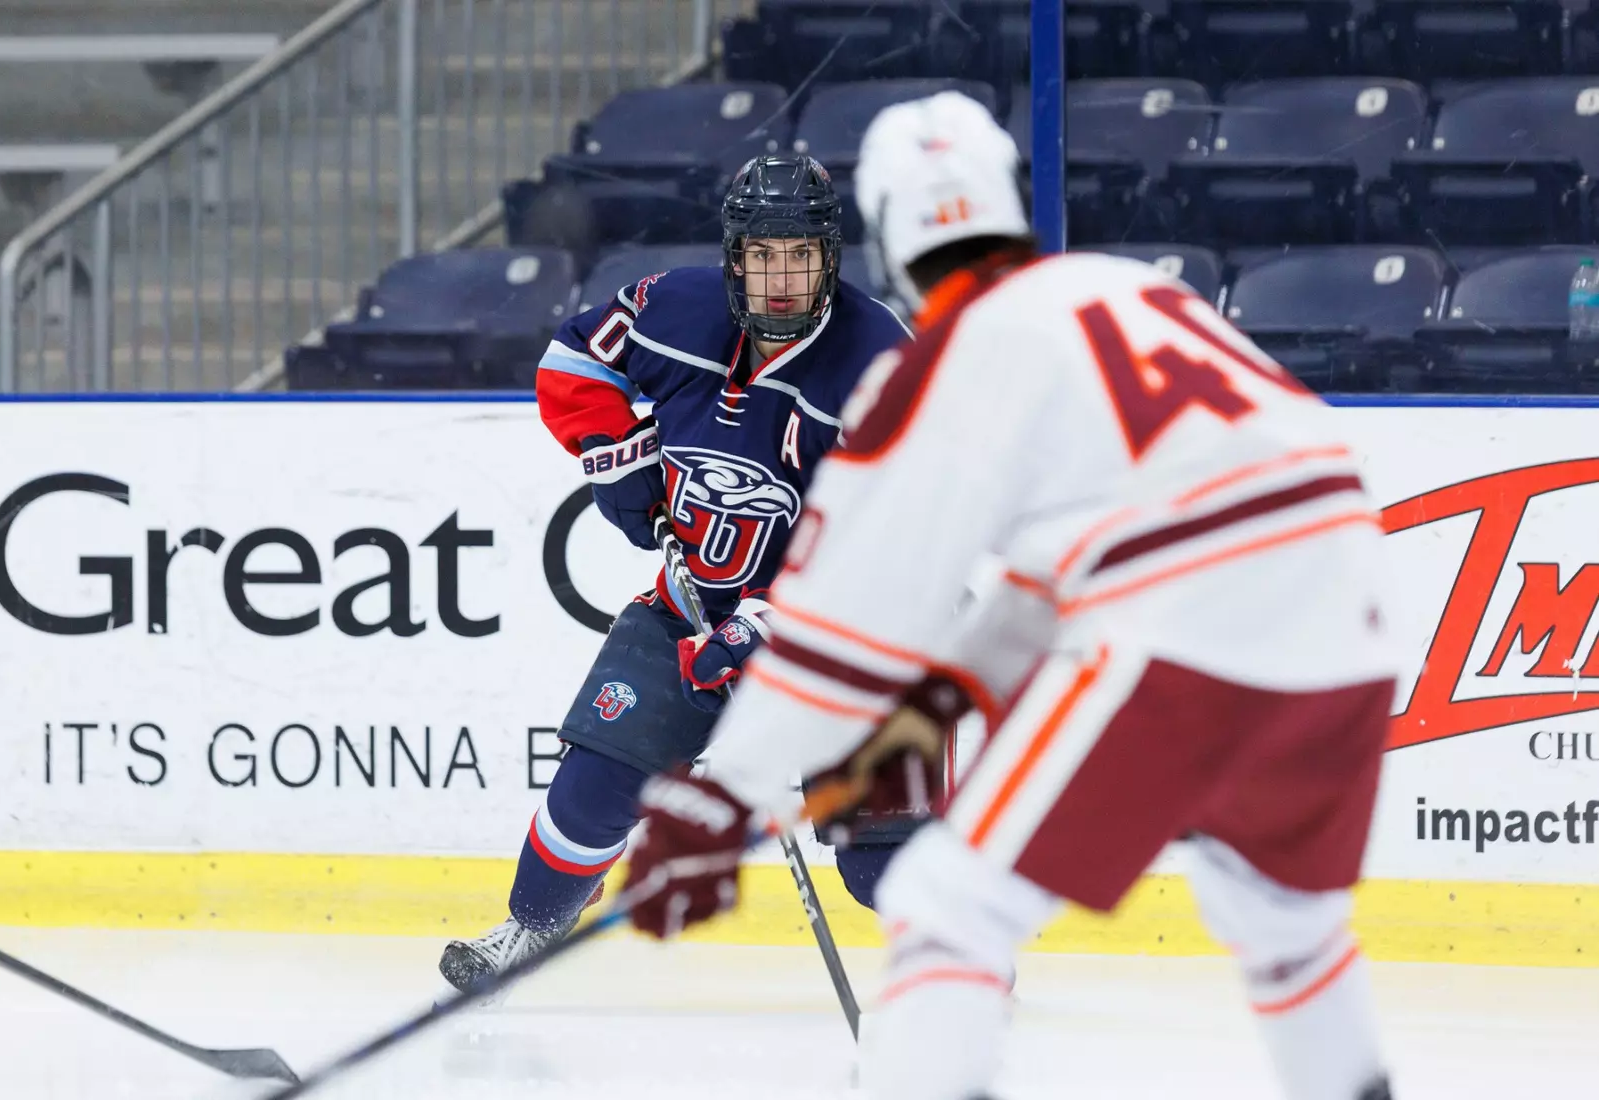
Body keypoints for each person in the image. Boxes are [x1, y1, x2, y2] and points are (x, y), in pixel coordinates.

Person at [617, 92, 1400, 1100]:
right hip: (1352, 601)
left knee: (950, 908)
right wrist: (929, 712)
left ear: (890, 232)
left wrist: (723, 792)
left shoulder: (934, 364)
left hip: (1184, 612)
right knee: (1286, 923)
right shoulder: (1126, 291)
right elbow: (1029, 600)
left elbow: (839, 626)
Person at [438, 153, 913, 993]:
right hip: (693, 601)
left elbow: (889, 542)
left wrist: (762, 627)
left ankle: (956, 962)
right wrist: (619, 458)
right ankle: (529, 930)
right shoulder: (677, 308)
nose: (780, 278)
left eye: (799, 255)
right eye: (763, 255)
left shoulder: (880, 362)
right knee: (596, 783)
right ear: (734, 257)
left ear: (830, 257)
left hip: (858, 639)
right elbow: (575, 358)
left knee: (881, 863)